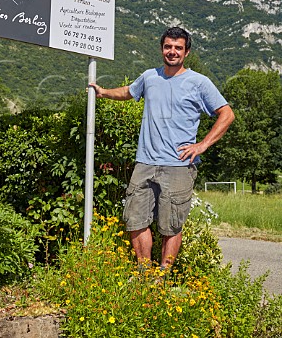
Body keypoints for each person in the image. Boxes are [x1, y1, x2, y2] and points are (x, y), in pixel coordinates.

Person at [90, 26, 234, 270]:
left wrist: (202, 145)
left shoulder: (199, 82)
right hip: (145, 163)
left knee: (171, 225)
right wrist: (103, 92)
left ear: (186, 52)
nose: (172, 52)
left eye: (178, 48)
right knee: (135, 220)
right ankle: (145, 274)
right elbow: (128, 91)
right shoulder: (149, 77)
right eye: (168, 46)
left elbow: (227, 114)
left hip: (179, 165)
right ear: (161, 49)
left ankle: (163, 276)